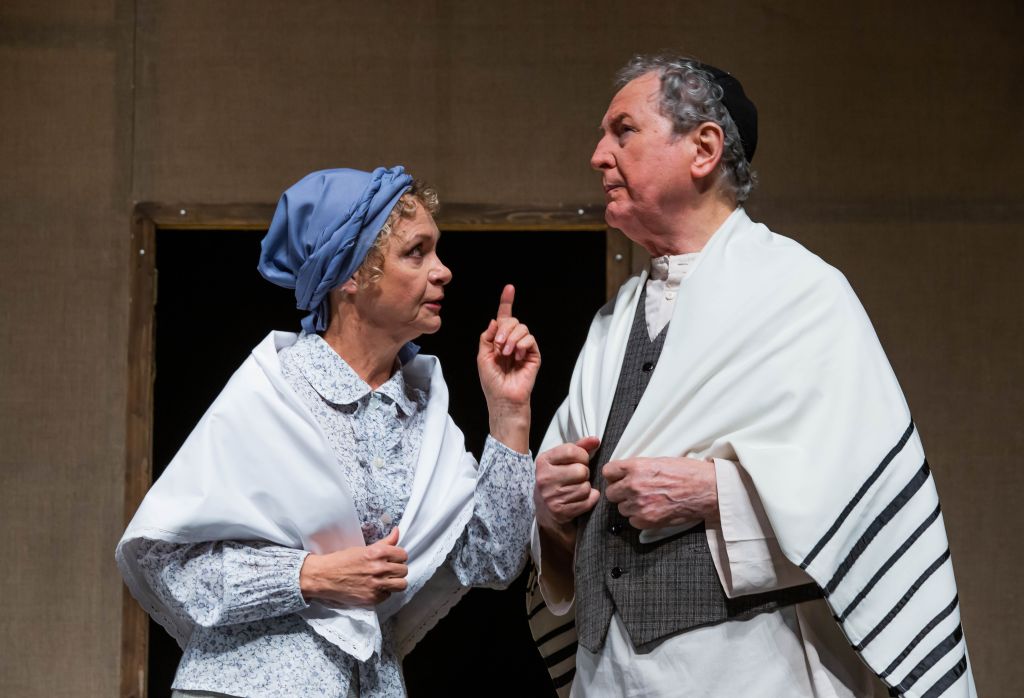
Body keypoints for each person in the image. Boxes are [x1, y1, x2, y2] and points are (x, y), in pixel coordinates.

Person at [530, 55, 976, 697]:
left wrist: (717, 490)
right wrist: (552, 509)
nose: (598, 155)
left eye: (623, 131)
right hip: (608, 676)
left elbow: (865, 493)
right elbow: (566, 515)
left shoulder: (800, 293)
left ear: (704, 149)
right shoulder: (613, 320)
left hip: (748, 667)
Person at [117, 166, 540, 697]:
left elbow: (492, 559)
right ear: (351, 275)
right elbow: (167, 564)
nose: (444, 271)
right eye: (416, 252)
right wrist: (310, 576)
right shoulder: (274, 391)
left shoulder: (421, 410)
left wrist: (509, 412)